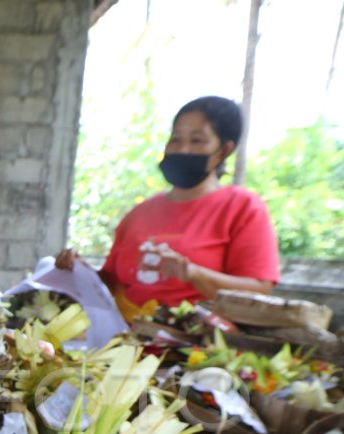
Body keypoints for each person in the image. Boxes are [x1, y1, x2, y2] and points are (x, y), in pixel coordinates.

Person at [57, 96, 279, 309]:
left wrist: (192, 273)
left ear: (223, 151)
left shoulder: (242, 207)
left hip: (196, 344)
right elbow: (111, 285)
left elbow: (259, 290)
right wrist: (78, 270)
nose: (183, 149)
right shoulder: (139, 214)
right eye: (176, 139)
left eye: (197, 140)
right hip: (123, 342)